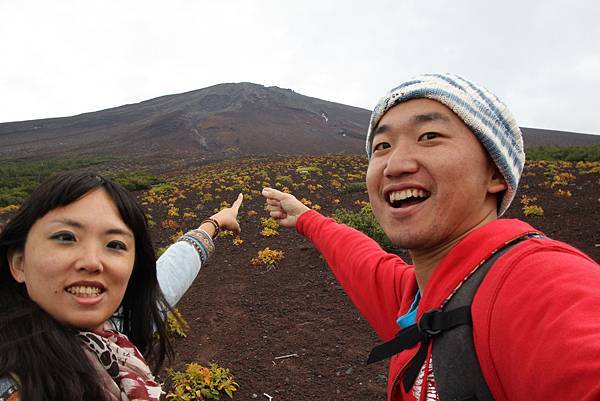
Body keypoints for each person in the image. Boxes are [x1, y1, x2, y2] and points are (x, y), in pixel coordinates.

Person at [262, 73, 600, 401]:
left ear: (495, 171)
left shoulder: (537, 285)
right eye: (382, 145)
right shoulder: (418, 298)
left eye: (429, 136)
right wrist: (306, 217)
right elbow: (361, 260)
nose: (395, 165)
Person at [0, 172, 242, 401]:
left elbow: (165, 281)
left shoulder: (108, 333)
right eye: (66, 237)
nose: (92, 262)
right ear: (19, 263)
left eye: (115, 244)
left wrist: (214, 223)